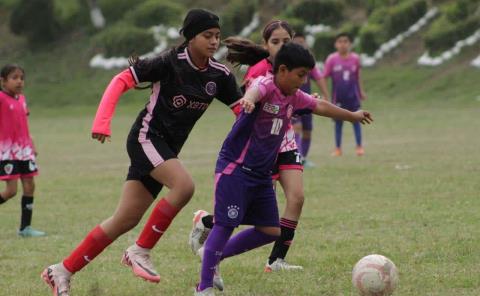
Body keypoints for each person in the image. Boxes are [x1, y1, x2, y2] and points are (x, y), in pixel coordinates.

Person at [41, 9, 242, 296]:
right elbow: (121, 80)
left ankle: (61, 270)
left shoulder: (219, 75)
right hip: (146, 138)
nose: (213, 41)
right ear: (189, 37)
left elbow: (241, 112)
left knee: (124, 219)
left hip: (165, 150)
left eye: (217, 36)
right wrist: (102, 121)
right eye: (207, 35)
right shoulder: (168, 63)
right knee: (184, 186)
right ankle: (140, 251)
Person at [194, 42, 372, 295]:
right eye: (300, 75)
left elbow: (319, 106)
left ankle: (210, 254)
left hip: (261, 174)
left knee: (270, 230)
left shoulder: (293, 95)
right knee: (225, 225)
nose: (303, 81)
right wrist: (247, 99)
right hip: (236, 167)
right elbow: (255, 90)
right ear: (283, 70)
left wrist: (352, 115)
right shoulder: (266, 85)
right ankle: (204, 288)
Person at [189, 20, 310, 274]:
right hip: (261, 147)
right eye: (275, 42)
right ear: (266, 45)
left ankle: (275, 260)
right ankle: (209, 226)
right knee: (251, 211)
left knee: (296, 198)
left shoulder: (296, 66)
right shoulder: (259, 72)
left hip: (285, 140)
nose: (281, 46)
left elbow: (295, 100)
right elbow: (251, 107)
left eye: (286, 41)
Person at [0, 64, 46, 238]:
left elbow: (23, 124)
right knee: (11, 191)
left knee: (30, 186)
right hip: (7, 151)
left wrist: (31, 144)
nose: (19, 81)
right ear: (3, 81)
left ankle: (25, 228)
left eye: (21, 77)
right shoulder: (1, 98)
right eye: (14, 78)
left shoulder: (22, 99)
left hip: (24, 150)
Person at [318, 32, 367, 156]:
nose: (343, 44)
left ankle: (359, 147)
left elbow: (358, 76)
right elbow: (323, 77)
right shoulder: (332, 59)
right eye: (340, 41)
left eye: (345, 41)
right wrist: (326, 95)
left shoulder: (355, 58)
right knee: (338, 123)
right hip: (338, 98)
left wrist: (361, 91)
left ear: (350, 44)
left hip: (353, 97)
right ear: (336, 44)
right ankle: (338, 149)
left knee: (357, 120)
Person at [291, 32, 325, 167]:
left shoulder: (309, 62)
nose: (300, 44)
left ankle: (303, 158)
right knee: (297, 128)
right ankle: (296, 158)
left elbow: (319, 78)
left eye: (302, 42)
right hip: (293, 101)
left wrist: (326, 94)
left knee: (307, 132)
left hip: (308, 101)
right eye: (297, 42)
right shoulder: (288, 62)